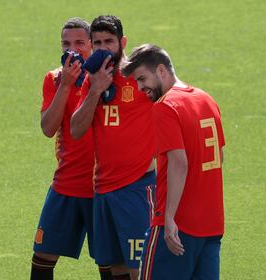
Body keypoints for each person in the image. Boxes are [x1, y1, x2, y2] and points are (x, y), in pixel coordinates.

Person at [121, 44, 225, 280]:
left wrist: (169, 219)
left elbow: (179, 163)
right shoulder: (206, 99)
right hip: (211, 225)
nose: (139, 88)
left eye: (142, 79)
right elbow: (219, 157)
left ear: (161, 70)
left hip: (178, 228)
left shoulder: (166, 106)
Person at [70, 15, 156, 280]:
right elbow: (76, 130)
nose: (104, 48)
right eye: (98, 43)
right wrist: (95, 90)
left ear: (123, 42)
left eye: (110, 41)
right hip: (104, 188)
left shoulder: (142, 76)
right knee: (114, 267)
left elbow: (174, 105)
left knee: (139, 268)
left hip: (137, 188)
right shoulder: (91, 81)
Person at [30, 17, 112, 280]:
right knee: (41, 260)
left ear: (91, 44)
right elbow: (47, 128)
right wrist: (65, 85)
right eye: (66, 43)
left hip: (102, 187)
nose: (73, 49)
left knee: (109, 265)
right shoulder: (54, 78)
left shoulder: (109, 79)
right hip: (65, 185)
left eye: (80, 42)